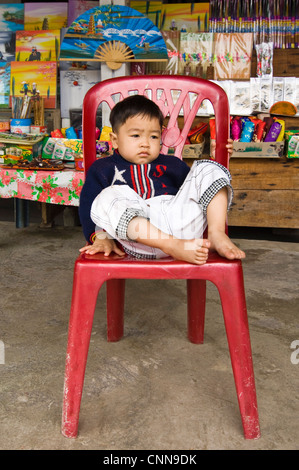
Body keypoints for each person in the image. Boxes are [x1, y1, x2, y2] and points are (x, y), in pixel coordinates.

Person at [79, 95, 245, 265]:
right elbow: (90, 208)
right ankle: (170, 245)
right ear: (115, 140)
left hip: (182, 232)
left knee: (206, 167)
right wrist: (101, 237)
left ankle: (217, 234)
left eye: (153, 137)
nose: (145, 143)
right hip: (138, 238)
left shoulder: (173, 164)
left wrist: (217, 159)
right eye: (136, 136)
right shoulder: (102, 169)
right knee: (108, 195)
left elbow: (198, 190)